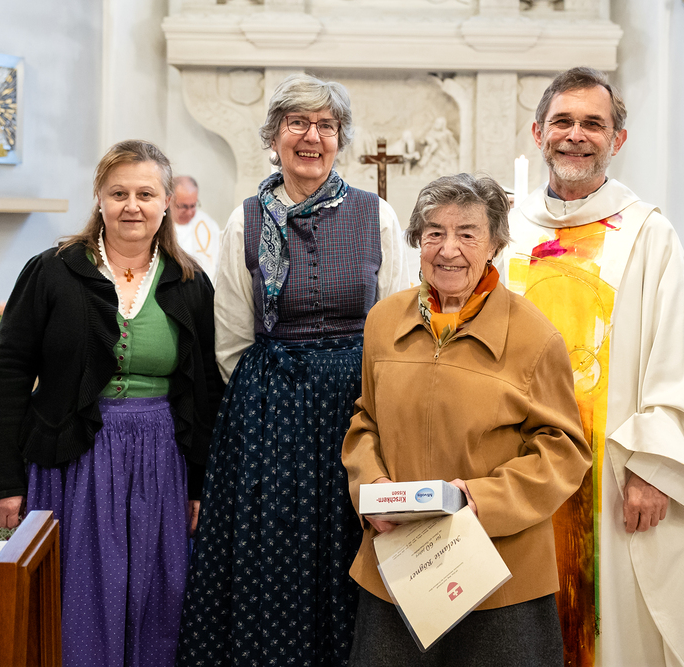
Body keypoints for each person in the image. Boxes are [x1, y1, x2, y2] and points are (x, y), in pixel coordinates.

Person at [503, 67, 684, 667]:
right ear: (538, 132)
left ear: (618, 139)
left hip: (609, 472)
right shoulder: (507, 232)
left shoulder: (647, 233)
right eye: (562, 121)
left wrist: (655, 468)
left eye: (593, 123)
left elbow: (682, 360)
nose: (576, 135)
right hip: (514, 464)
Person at [177, 73, 409, 667]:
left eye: (326, 125)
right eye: (297, 123)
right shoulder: (246, 219)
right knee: (274, 554)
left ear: (340, 139)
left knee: (350, 544)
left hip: (356, 408)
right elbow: (232, 335)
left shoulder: (376, 216)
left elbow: (394, 325)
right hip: (271, 413)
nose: (312, 136)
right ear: (274, 136)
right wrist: (272, 402)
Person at [0, 139, 224, 667]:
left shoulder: (190, 283)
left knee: (154, 597)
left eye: (146, 193)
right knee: (75, 598)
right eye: (119, 193)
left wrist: (199, 485)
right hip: (71, 458)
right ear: (99, 197)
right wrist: (4, 482)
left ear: (167, 202)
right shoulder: (52, 271)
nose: (132, 206)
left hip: (160, 461)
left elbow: (206, 389)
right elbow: (8, 373)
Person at [342, 173, 592, 665]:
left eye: (467, 233)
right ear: (417, 241)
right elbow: (365, 421)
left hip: (499, 576)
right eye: (434, 232)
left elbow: (564, 451)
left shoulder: (535, 336)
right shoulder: (383, 321)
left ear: (495, 243)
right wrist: (371, 490)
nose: (448, 249)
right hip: (400, 565)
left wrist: (480, 501)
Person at [172, 175, 222, 284]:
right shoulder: (159, 224)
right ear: (169, 200)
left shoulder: (208, 225)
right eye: (184, 206)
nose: (189, 212)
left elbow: (219, 266)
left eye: (193, 206)